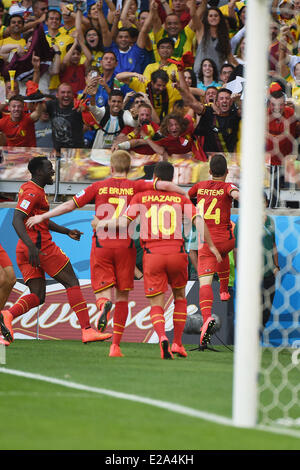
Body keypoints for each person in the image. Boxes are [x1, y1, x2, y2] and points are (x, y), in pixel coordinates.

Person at [26, 151, 187, 357]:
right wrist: (182, 194)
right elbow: (164, 186)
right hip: (125, 246)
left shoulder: (98, 187)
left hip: (102, 244)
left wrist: (44, 217)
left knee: (103, 291)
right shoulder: (136, 186)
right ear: (128, 169)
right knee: (122, 296)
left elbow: (69, 205)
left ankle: (103, 305)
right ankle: (115, 346)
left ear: (111, 168)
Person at [95, 160, 221, 359]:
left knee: (156, 304)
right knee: (180, 297)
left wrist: (101, 223)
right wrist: (211, 245)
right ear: (172, 179)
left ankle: (162, 336)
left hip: (153, 255)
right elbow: (198, 219)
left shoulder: (141, 197)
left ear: (154, 178)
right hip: (177, 254)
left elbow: (123, 223)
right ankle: (177, 344)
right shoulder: (180, 198)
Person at [0, 156, 112, 345]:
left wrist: (66, 231)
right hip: (40, 248)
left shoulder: (35, 190)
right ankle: (86, 330)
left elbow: (40, 219)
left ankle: (8, 314)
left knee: (37, 295)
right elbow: (16, 219)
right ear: (38, 172)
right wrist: (31, 246)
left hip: (28, 249)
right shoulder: (32, 192)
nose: (53, 172)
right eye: (50, 168)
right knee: (72, 282)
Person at [188, 154, 239, 347]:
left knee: (205, 283)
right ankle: (224, 291)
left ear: (209, 172)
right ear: (227, 172)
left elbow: (187, 196)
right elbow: (235, 193)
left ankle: (207, 318)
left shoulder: (200, 186)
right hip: (227, 240)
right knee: (224, 254)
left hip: (207, 242)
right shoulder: (228, 186)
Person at [234, 194, 280, 329]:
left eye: (262, 202)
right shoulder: (243, 221)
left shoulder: (270, 221)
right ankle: (250, 332)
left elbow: (273, 245)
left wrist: (276, 266)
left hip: (268, 271)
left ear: (266, 204)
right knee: (252, 305)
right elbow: (236, 248)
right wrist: (239, 267)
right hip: (251, 272)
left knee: (267, 306)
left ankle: (260, 331)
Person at [116, 69, 182, 122]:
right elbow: (118, 77)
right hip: (142, 121)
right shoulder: (142, 83)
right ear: (152, 82)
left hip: (161, 122)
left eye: (163, 85)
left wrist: (178, 86)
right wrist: (134, 74)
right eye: (158, 85)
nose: (161, 88)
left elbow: (187, 91)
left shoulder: (170, 89)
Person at [44, 82, 85, 153]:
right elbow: (36, 108)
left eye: (69, 92)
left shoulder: (78, 106)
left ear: (72, 95)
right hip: (57, 151)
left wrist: (85, 110)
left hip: (76, 152)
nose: (66, 95)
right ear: (57, 95)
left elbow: (89, 124)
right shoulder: (52, 105)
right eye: (63, 92)